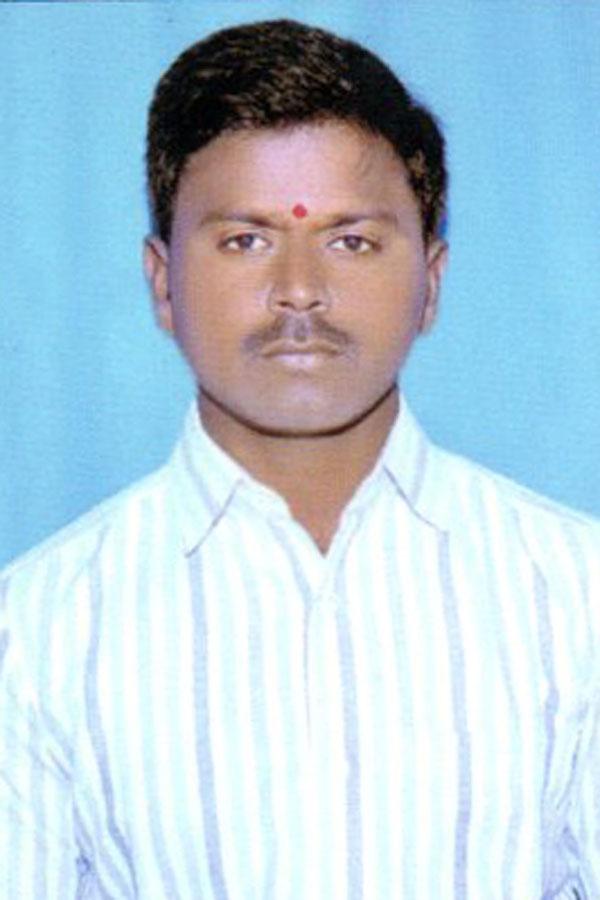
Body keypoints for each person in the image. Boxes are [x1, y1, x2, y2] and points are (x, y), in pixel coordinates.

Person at [0, 17, 598, 899]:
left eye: (351, 241)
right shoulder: (35, 632)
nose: (300, 291)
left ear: (432, 281)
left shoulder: (577, 599)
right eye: (245, 240)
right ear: (162, 283)